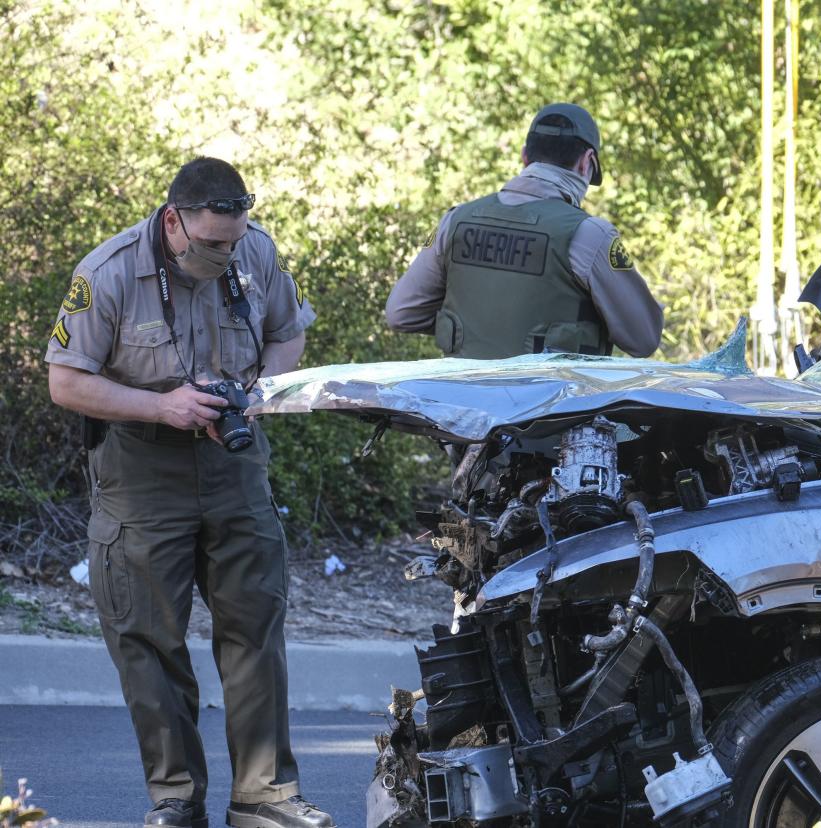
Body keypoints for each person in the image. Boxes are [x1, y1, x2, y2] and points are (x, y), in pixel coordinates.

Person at [45, 158, 331, 828]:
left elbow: (290, 333)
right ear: (174, 222)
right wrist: (163, 407)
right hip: (142, 471)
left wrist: (257, 394)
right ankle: (176, 797)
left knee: (255, 627)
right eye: (212, 244)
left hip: (233, 461)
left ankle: (265, 795)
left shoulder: (252, 248)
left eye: (235, 240)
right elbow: (65, 381)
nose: (227, 253)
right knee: (148, 639)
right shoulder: (109, 272)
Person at [386, 102, 664, 359]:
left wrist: (476, 322)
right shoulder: (588, 234)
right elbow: (644, 339)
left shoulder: (456, 221)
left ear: (524, 157)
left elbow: (401, 314)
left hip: (459, 406)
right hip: (556, 411)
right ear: (586, 162)